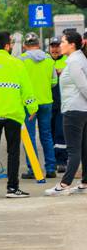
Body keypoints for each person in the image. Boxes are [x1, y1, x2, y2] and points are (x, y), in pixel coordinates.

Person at [0, 31, 38, 198]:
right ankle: (12, 188)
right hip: (12, 114)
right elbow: (26, 89)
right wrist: (32, 108)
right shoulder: (17, 64)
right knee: (13, 152)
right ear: (7, 46)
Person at [45, 31, 87, 196]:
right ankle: (84, 183)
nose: (60, 45)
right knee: (83, 148)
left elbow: (83, 86)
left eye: (63, 42)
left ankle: (64, 184)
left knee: (73, 149)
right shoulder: (79, 59)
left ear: (72, 44)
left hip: (74, 110)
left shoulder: (75, 61)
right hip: (81, 109)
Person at [19, 32, 58, 179]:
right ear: (39, 44)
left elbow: (18, 83)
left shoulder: (20, 60)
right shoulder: (49, 59)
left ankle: (33, 169)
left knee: (29, 137)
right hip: (46, 102)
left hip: (28, 105)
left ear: (24, 46)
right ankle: (50, 168)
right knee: (46, 135)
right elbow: (54, 82)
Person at [49, 37, 68, 173]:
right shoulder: (46, 61)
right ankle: (52, 161)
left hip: (62, 103)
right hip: (49, 103)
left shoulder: (66, 61)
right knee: (50, 134)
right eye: (52, 46)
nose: (55, 49)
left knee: (61, 133)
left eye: (57, 46)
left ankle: (62, 161)